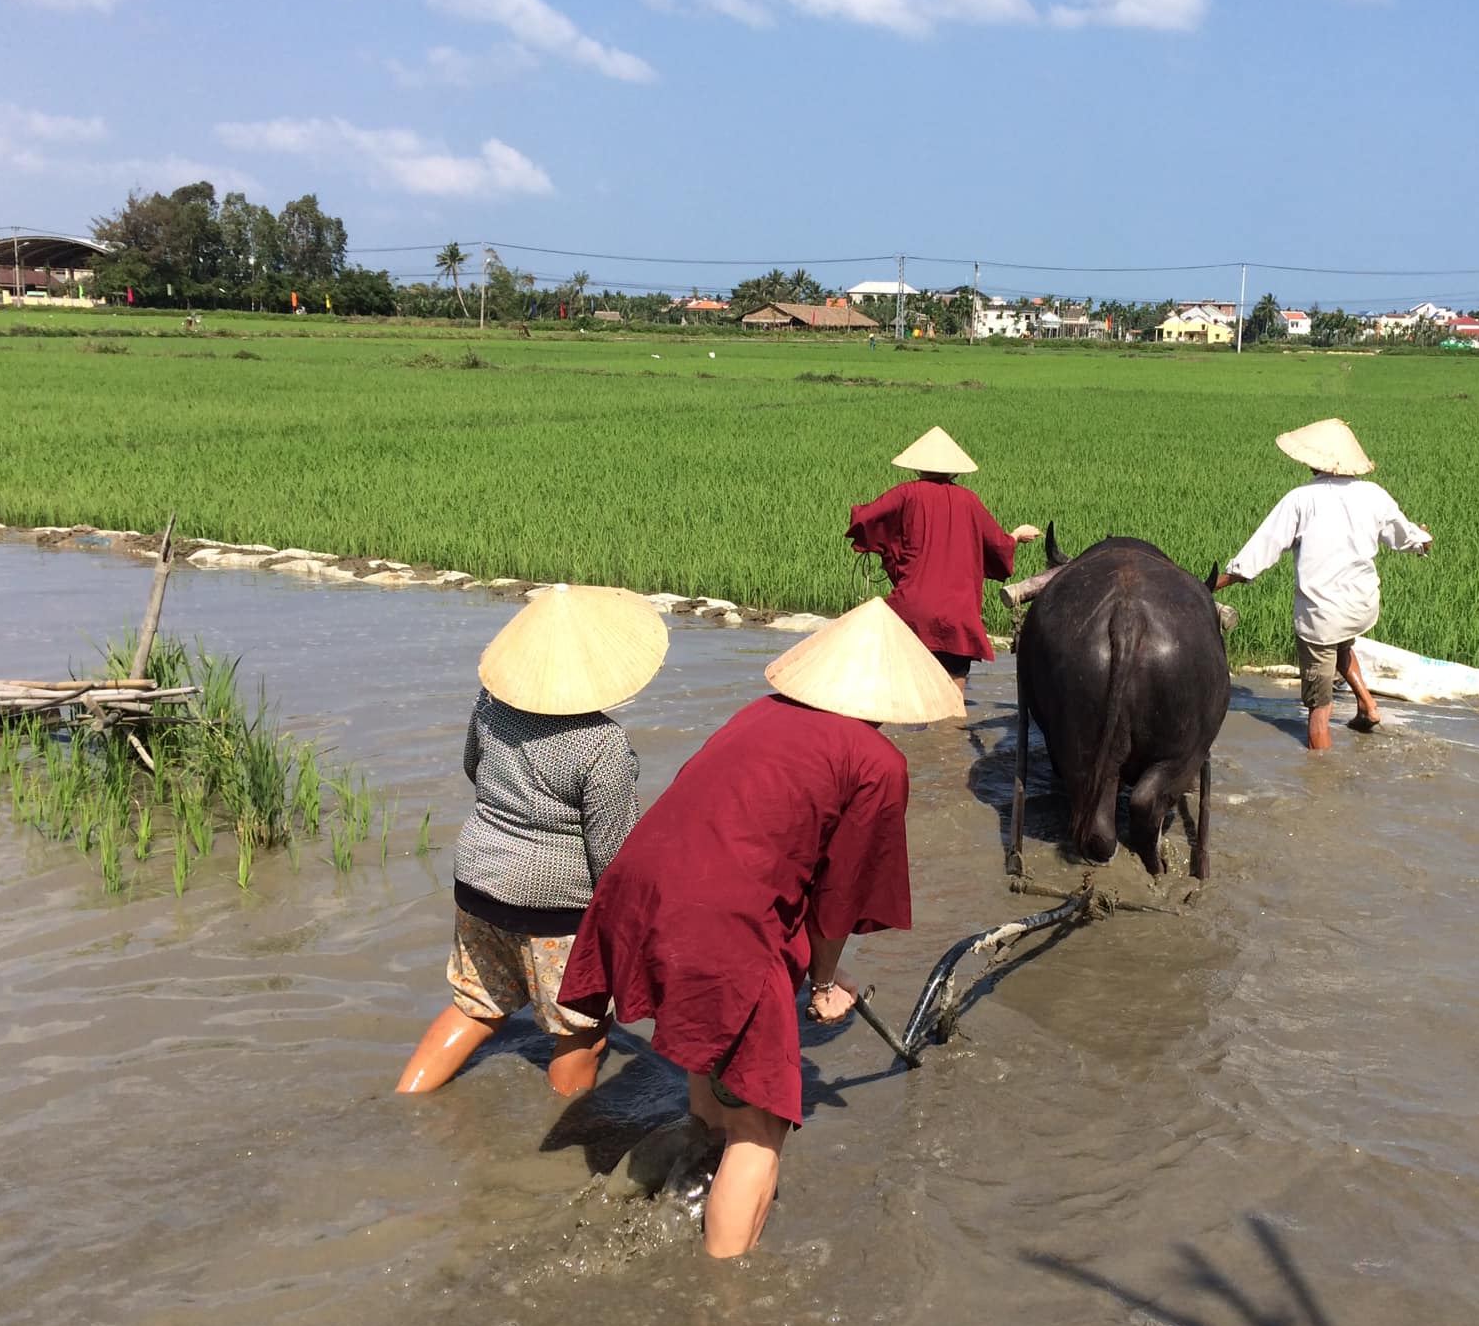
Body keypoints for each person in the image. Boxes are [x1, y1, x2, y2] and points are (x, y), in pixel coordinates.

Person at [558, 597, 962, 1257]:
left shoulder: (763, 713)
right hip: (719, 921)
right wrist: (826, 982)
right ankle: (724, 1313)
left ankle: (693, 1162)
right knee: (761, 1128)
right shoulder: (876, 763)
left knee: (712, 1058)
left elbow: (757, 838)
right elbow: (841, 895)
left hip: (639, 889)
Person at [395, 584, 669, 1097]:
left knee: (476, 1004)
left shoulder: (491, 703)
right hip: (555, 912)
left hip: (478, 881)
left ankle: (405, 1101)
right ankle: (559, 1156)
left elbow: (473, 768)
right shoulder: (602, 742)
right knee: (581, 1032)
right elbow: (614, 854)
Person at [1212, 418, 1432, 752]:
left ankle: (1322, 778)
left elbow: (1260, 552)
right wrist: (1421, 542)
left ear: (1315, 460)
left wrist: (1214, 584)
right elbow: (1404, 535)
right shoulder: (1374, 495)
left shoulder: (1301, 499)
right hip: (1361, 605)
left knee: (1318, 709)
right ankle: (1368, 707)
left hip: (1321, 614)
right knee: (1342, 645)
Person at [846, 426, 1040, 701]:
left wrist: (882, 543)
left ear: (917, 467)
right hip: (957, 615)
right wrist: (1016, 536)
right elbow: (997, 544)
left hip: (912, 610)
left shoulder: (906, 494)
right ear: (954, 471)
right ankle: (950, 743)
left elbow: (863, 519)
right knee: (952, 698)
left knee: (906, 697)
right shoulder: (969, 500)